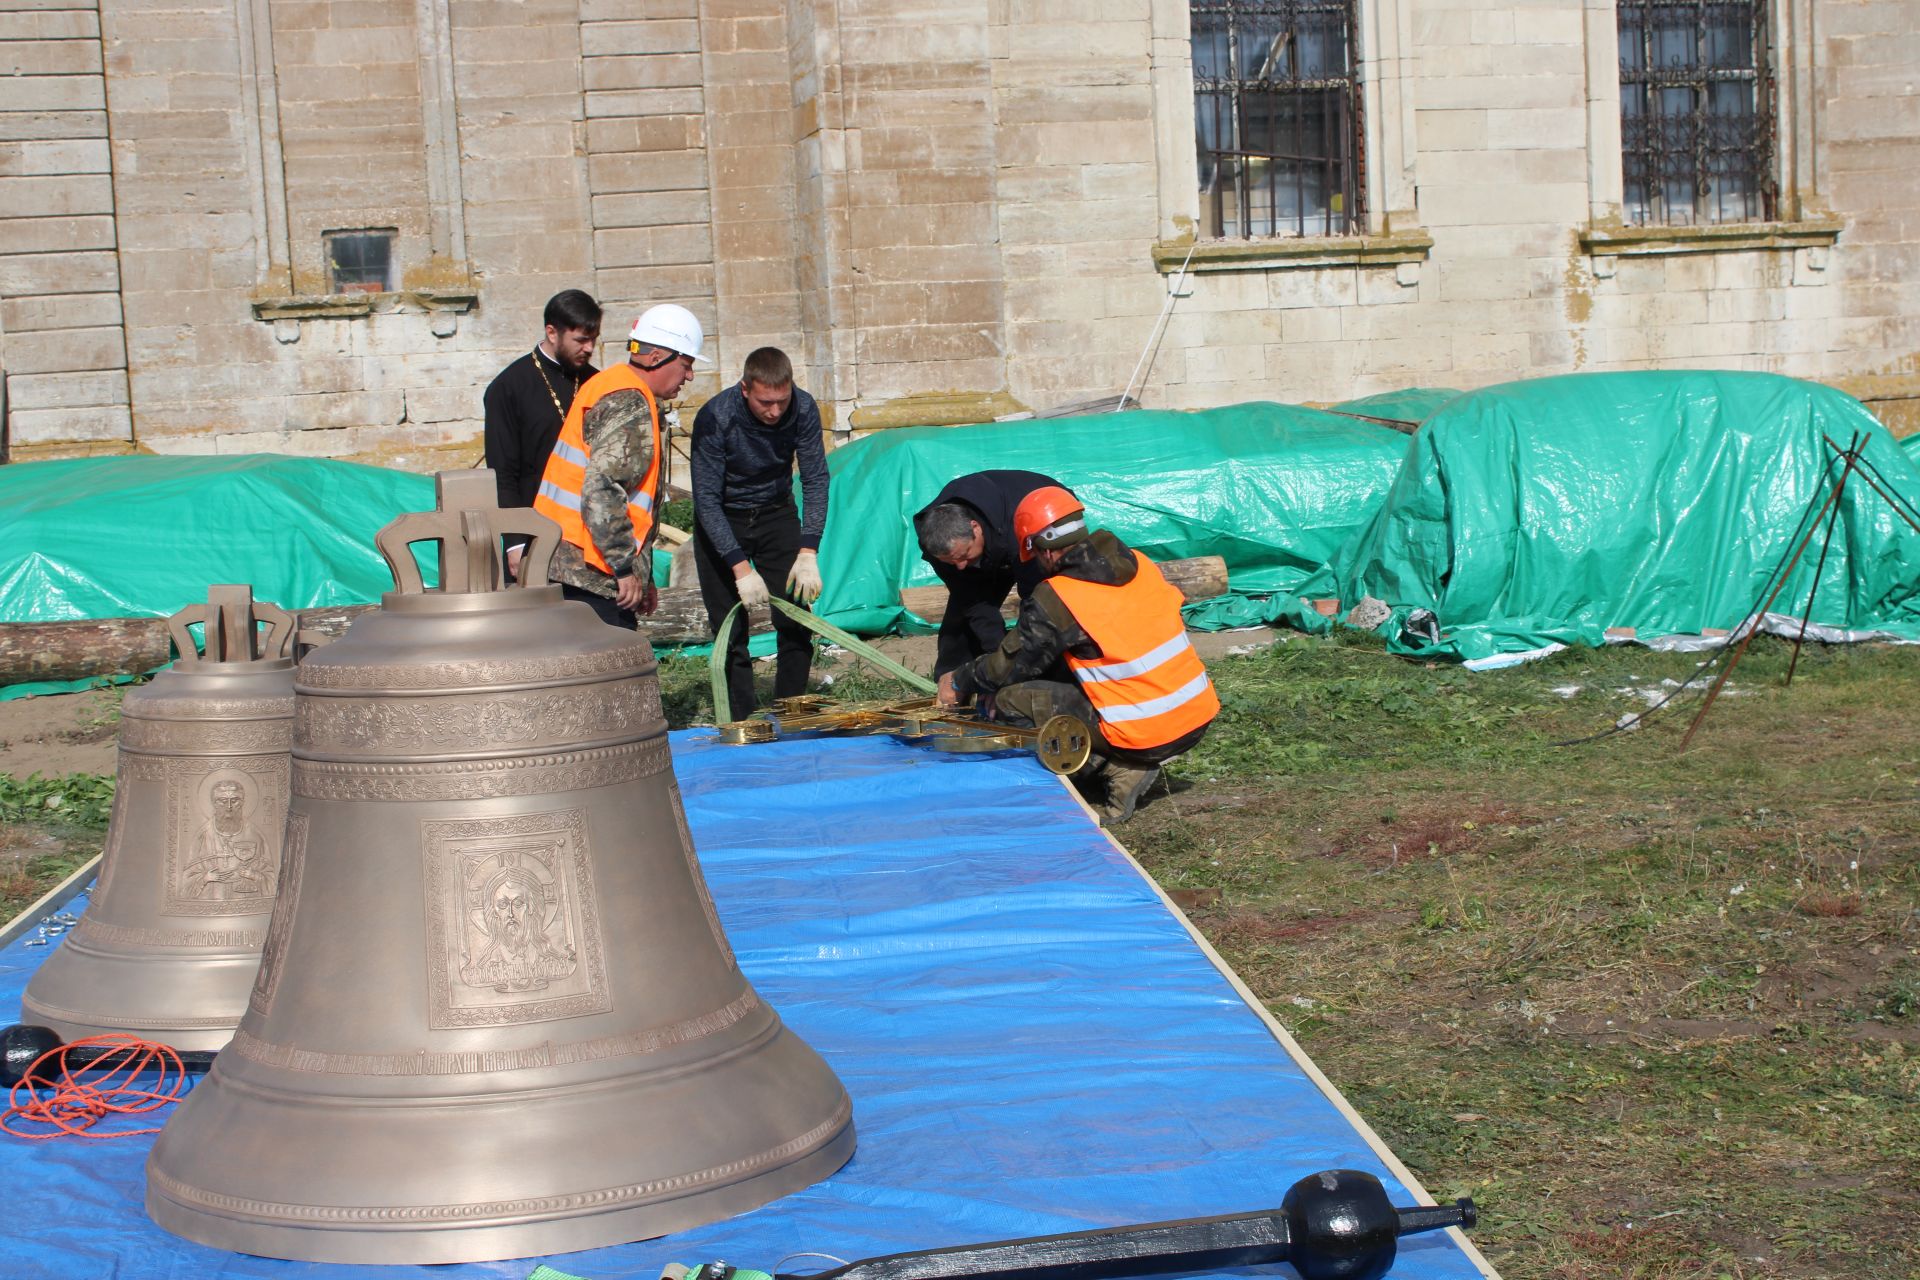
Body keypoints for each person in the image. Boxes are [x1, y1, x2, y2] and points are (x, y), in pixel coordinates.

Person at [936, 487, 1218, 825]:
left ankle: (1114, 768)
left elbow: (1007, 667)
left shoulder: (1061, 595)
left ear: (1042, 549)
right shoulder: (1140, 564)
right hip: (1196, 716)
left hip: (1146, 734)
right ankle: (1122, 760)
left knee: (1010, 700)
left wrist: (959, 679)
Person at [534, 303, 707, 630]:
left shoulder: (610, 384)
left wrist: (643, 575)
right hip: (591, 572)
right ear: (658, 358)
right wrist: (624, 568)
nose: (690, 375)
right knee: (613, 674)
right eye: (686, 364)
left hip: (568, 561)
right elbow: (602, 491)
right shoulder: (630, 401)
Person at [690, 347, 830, 718]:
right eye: (765, 402)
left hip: (776, 513)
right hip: (723, 515)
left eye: (782, 401)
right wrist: (739, 568)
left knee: (797, 617)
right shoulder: (716, 417)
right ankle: (742, 719)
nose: (775, 412)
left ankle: (790, 710)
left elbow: (816, 477)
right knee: (731, 629)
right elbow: (705, 499)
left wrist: (808, 551)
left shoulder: (803, 408)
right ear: (745, 390)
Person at [483, 290, 602, 580]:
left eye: (593, 339)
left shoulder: (596, 382)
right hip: (535, 531)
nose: (588, 349)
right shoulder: (509, 387)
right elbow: (503, 472)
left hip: (588, 531)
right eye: (580, 340)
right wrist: (515, 541)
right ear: (552, 332)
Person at [912, 470, 1069, 680]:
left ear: (975, 528)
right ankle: (951, 680)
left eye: (964, 555)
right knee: (962, 615)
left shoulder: (1019, 532)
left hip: (1047, 519)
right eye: (950, 561)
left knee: (1044, 607)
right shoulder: (937, 545)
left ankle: (1053, 675)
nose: (959, 566)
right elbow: (972, 601)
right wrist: (997, 655)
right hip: (996, 538)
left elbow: (1035, 598)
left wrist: (1017, 661)